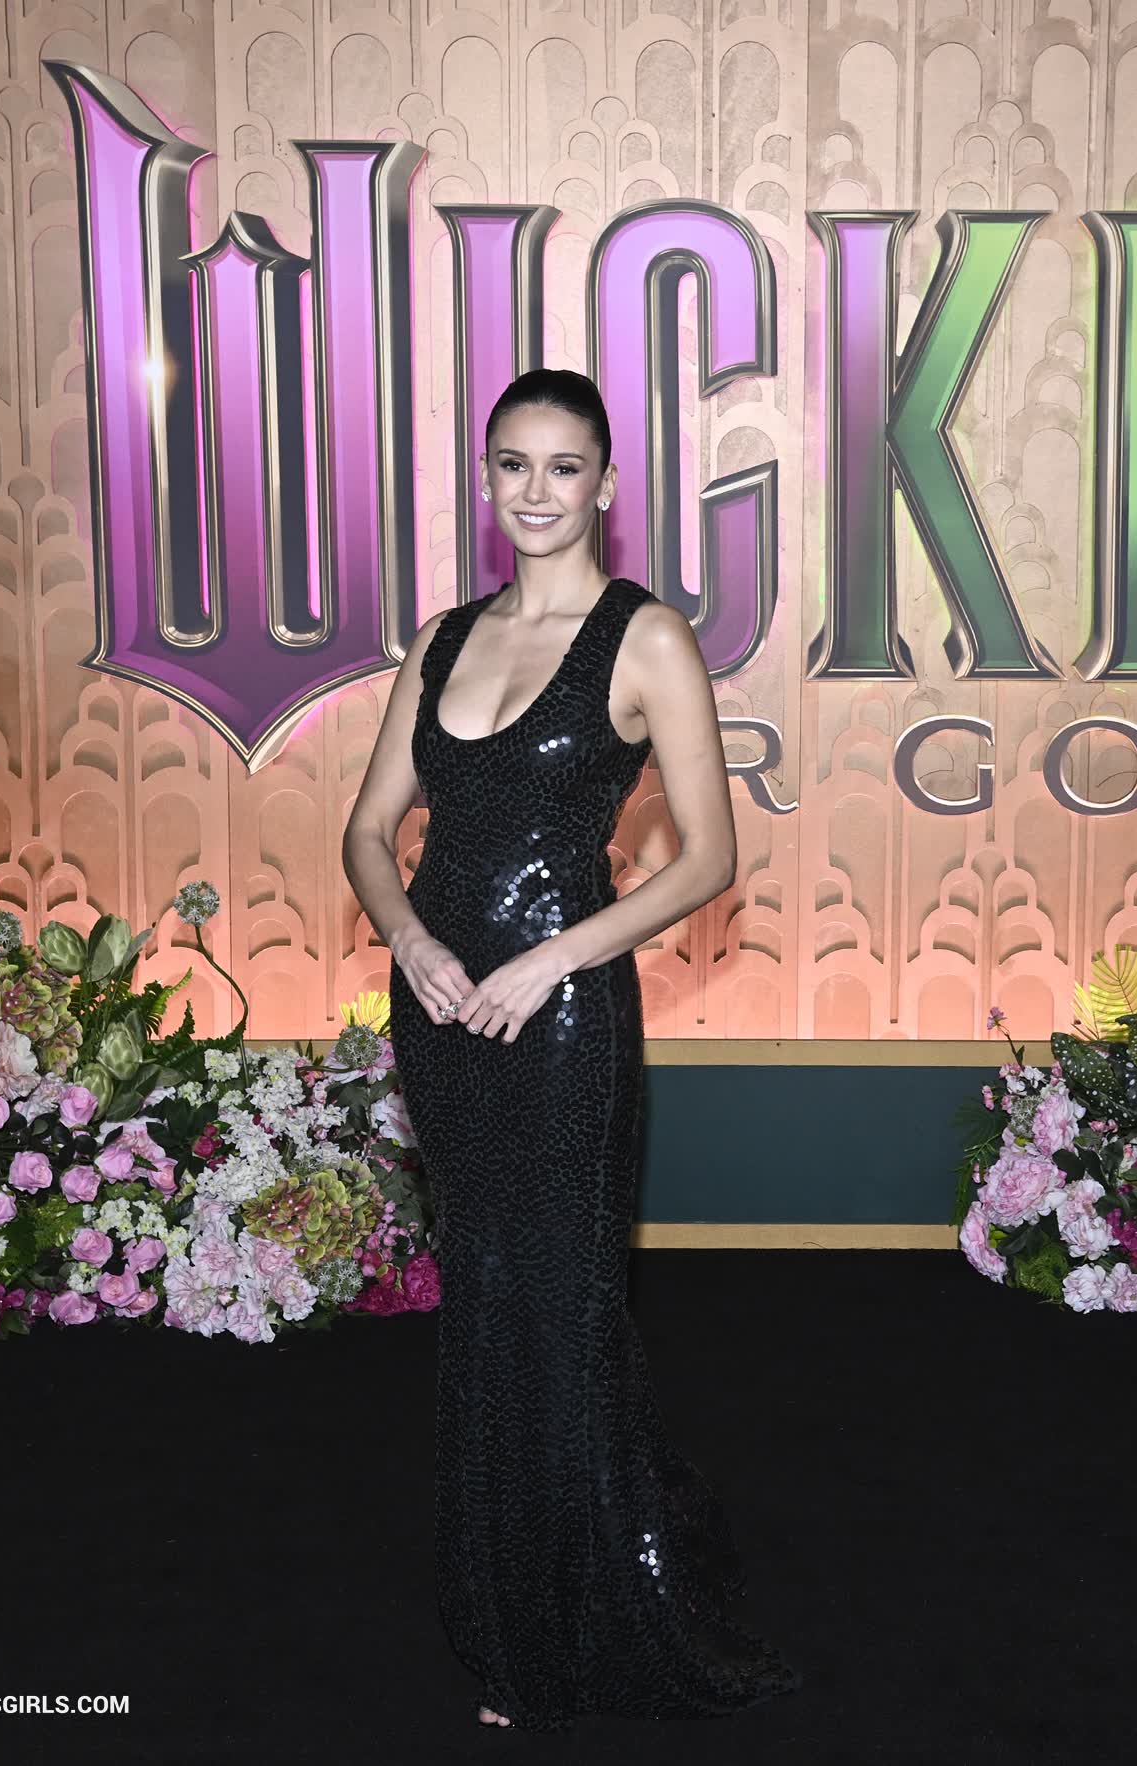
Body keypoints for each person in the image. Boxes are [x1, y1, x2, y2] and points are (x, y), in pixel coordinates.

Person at [341, 368, 803, 1732]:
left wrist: (552, 958)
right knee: (485, 1300)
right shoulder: (444, 639)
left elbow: (708, 858)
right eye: (512, 464)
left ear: (605, 483)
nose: (535, 491)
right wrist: (410, 941)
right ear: (486, 479)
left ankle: (579, 1615)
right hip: (441, 1018)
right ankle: (501, 1613)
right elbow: (368, 831)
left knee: (563, 1304)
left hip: (561, 1023)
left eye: (562, 466)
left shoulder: (645, 637)